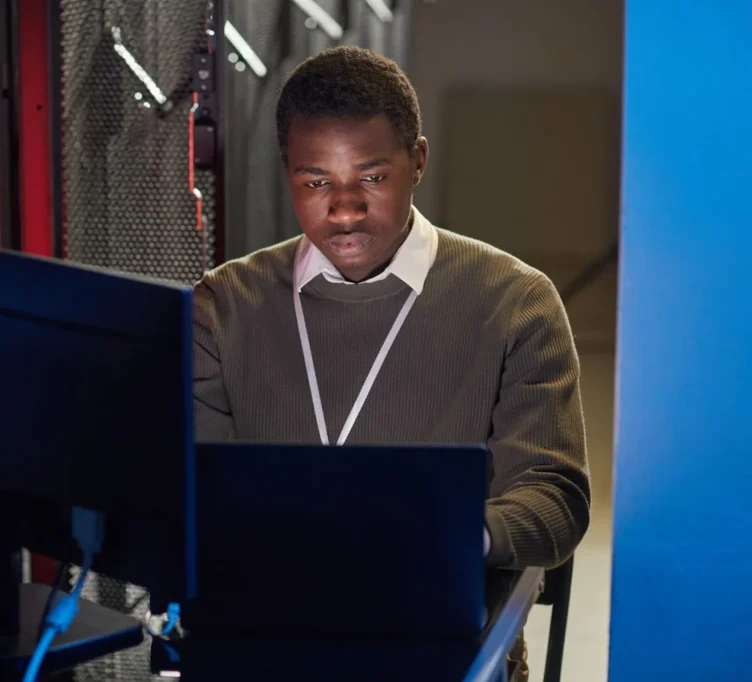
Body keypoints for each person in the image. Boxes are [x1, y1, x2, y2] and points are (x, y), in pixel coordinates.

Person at [191, 46, 590, 678]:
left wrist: (446, 538)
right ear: (287, 172)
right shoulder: (225, 304)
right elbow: (189, 494)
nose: (344, 209)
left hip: (436, 638)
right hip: (269, 634)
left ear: (418, 162)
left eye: (371, 178)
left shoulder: (516, 302)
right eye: (315, 181)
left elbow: (555, 499)